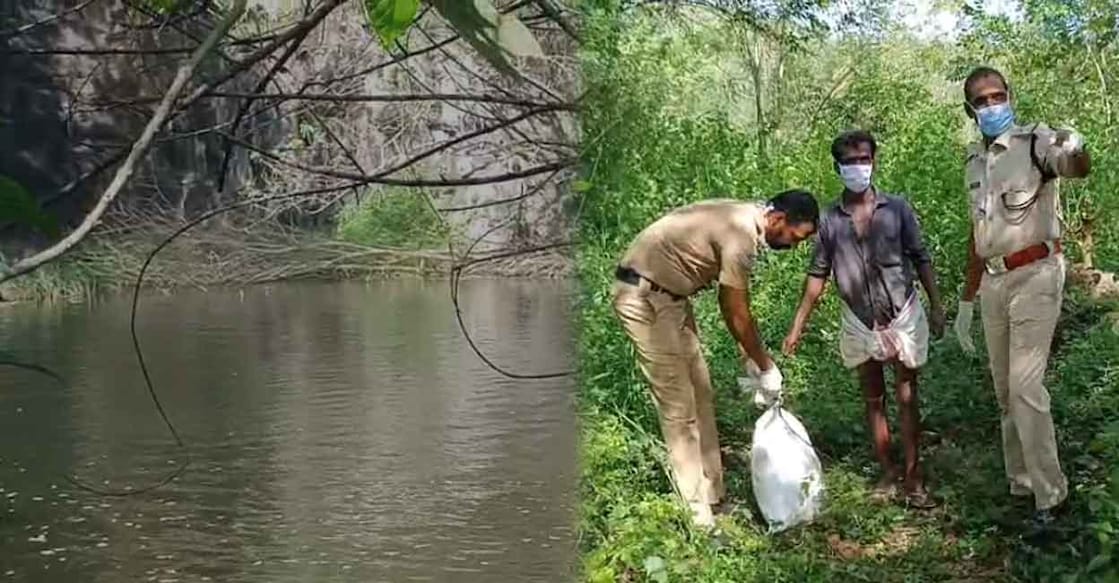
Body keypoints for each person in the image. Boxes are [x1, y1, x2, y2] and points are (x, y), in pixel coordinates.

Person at [611, 190, 820, 527]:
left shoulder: (746, 219)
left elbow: (734, 308)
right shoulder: (741, 235)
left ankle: (713, 495)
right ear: (778, 219)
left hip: (673, 300)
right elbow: (734, 307)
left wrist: (749, 358)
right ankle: (697, 516)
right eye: (794, 237)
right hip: (643, 298)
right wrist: (765, 365)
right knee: (678, 406)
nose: (793, 246)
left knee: (701, 393)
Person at [952, 66, 1091, 533]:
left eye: (998, 96)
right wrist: (967, 300)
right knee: (1004, 390)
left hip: (1037, 273)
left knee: (1025, 386)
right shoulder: (975, 162)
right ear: (970, 110)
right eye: (982, 101)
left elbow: (1076, 168)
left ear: (1010, 95)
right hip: (994, 282)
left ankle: (1052, 496)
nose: (992, 106)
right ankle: (1021, 483)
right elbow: (978, 234)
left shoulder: (1036, 141)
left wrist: (1077, 147)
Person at [782, 130, 946, 509]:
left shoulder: (897, 209)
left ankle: (913, 478)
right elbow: (817, 275)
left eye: (864, 159)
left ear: (874, 161)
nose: (859, 167)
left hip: (901, 311)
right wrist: (797, 326)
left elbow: (920, 257)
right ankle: (887, 472)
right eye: (850, 161)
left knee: (907, 396)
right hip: (859, 318)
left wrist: (936, 305)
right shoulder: (830, 220)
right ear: (837, 167)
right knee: (873, 398)